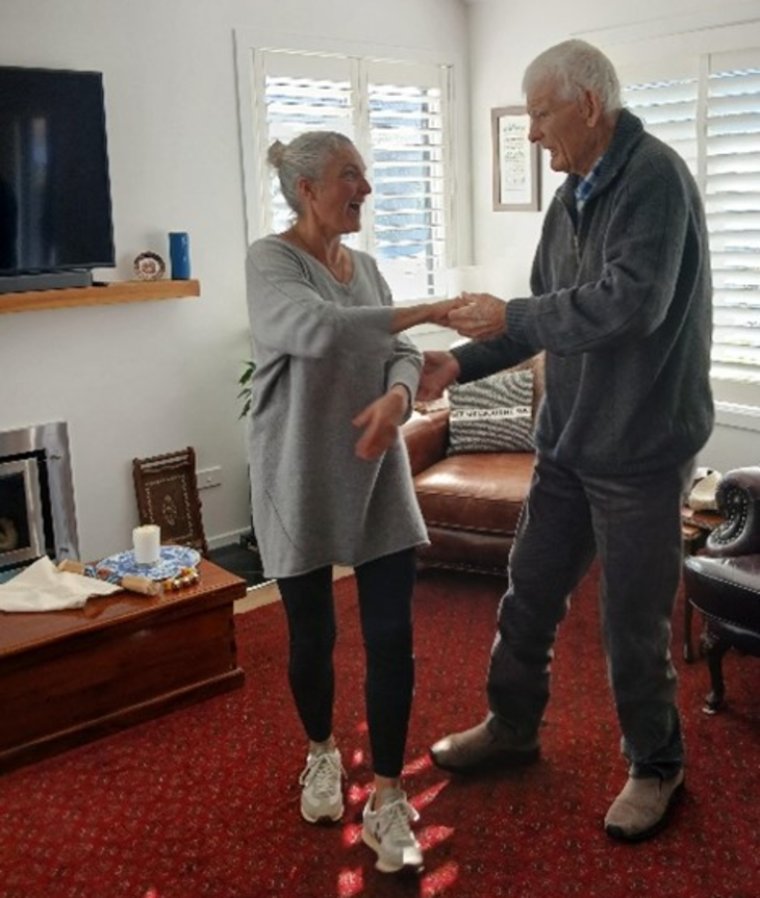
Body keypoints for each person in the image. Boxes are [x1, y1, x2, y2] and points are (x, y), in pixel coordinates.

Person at [421, 39, 714, 842]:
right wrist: (459, 360)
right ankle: (512, 727)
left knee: (632, 623)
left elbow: (629, 306)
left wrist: (511, 315)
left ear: (588, 106)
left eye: (540, 114)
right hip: (568, 444)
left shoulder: (653, 179)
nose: (530, 134)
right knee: (529, 596)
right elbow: (550, 310)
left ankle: (657, 765)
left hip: (641, 452)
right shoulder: (571, 197)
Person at [245, 130, 461, 873]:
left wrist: (400, 396)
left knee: (392, 637)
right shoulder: (270, 263)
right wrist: (430, 308)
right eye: (349, 176)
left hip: (377, 471)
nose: (364, 188)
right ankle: (322, 755)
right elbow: (317, 329)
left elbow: (398, 352)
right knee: (311, 639)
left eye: (364, 175)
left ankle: (391, 796)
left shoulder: (366, 267)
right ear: (307, 189)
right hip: (296, 473)